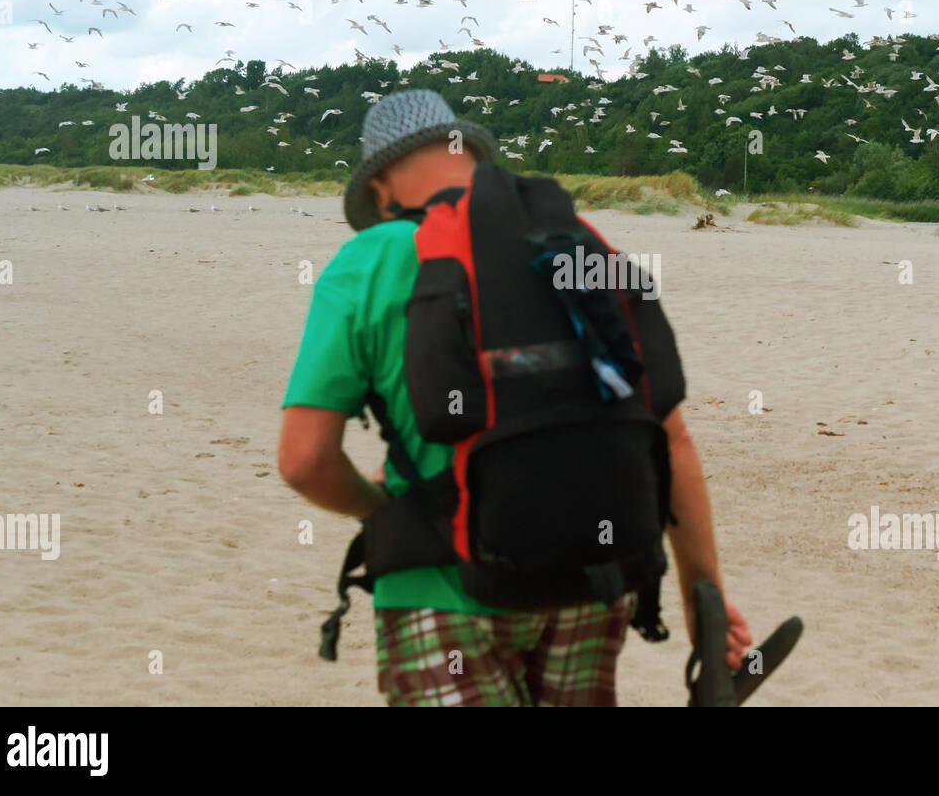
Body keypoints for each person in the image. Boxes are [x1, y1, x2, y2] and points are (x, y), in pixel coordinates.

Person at [277, 89, 751, 706]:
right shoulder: (576, 239)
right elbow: (669, 436)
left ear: (381, 191)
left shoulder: (366, 260)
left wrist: (379, 506)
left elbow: (304, 461)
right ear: (469, 155)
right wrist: (701, 600)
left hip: (442, 599)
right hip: (589, 589)